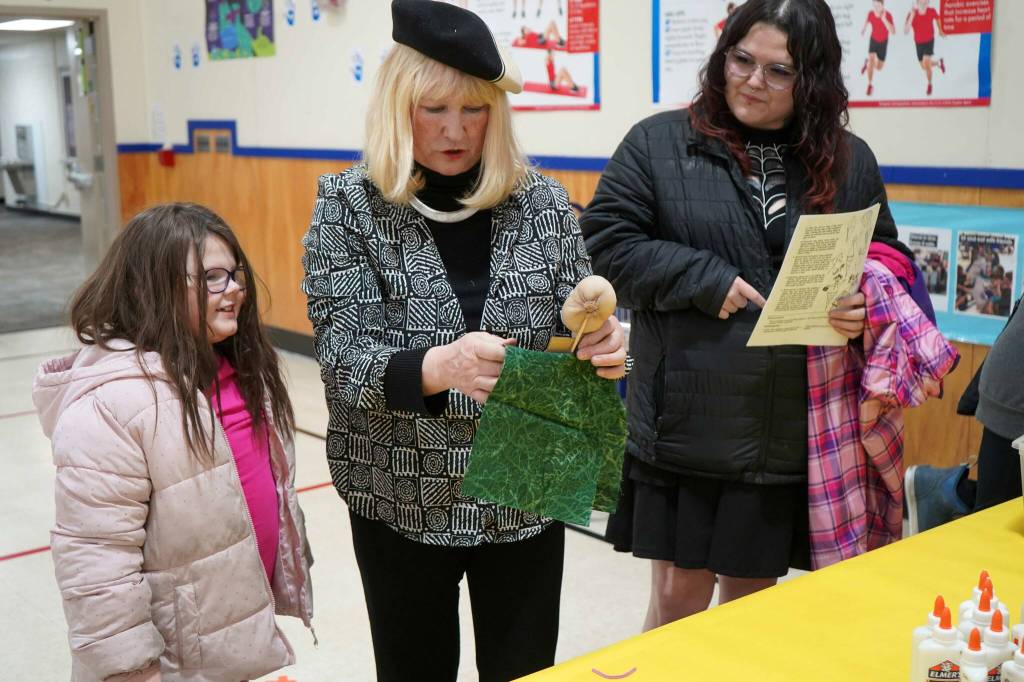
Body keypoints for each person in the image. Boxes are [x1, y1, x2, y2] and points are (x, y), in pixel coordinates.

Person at [300, 2, 626, 680]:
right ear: (399, 107)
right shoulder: (348, 208)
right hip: (401, 490)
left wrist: (605, 347)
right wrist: (437, 366)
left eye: (474, 111)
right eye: (434, 109)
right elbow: (341, 360)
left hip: (527, 484)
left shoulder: (541, 202)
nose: (455, 130)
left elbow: (579, 318)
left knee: (525, 667)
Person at [581, 0, 913, 631]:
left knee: (750, 609)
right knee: (677, 606)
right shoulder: (658, 141)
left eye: (779, 71)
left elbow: (885, 256)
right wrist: (701, 278)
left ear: (811, 80)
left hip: (790, 431)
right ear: (723, 55)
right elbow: (604, 243)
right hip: (686, 425)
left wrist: (865, 300)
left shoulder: (849, 160)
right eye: (742, 60)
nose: (752, 81)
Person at [33, 203, 313, 681]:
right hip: (167, 663)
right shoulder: (114, 404)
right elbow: (97, 566)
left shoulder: (244, 372)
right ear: (149, 290)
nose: (234, 292)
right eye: (210, 279)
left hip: (227, 639)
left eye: (235, 274)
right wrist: (133, 672)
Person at [905, 0, 945, 96]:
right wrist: (911, 15)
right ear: (917, 3)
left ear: (928, 3)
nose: (923, 5)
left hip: (929, 41)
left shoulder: (931, 11)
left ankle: (930, 84)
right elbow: (906, 31)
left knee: (926, 63)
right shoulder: (912, 14)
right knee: (923, 67)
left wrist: (940, 30)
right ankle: (938, 63)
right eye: (921, 3)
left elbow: (938, 18)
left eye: (925, 3)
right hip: (918, 43)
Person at [860, 0, 895, 96]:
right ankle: (870, 84)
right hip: (873, 41)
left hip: (883, 43)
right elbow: (867, 22)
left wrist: (884, 20)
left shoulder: (888, 15)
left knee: (879, 67)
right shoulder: (871, 13)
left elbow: (893, 31)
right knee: (871, 60)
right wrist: (863, 29)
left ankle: (867, 64)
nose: (876, 8)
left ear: (883, 5)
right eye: (874, 6)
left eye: (878, 6)